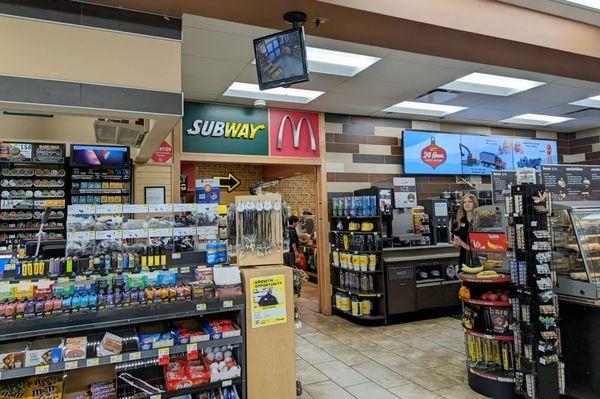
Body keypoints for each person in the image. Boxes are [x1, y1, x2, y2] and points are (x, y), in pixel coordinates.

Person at [452, 193, 477, 267]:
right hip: (464, 258)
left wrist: (464, 244)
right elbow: (455, 244)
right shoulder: (459, 222)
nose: (467, 204)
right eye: (464, 202)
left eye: (469, 202)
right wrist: (457, 242)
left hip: (479, 256)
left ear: (474, 204)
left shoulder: (480, 220)